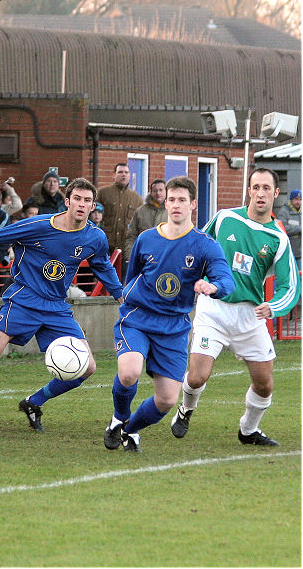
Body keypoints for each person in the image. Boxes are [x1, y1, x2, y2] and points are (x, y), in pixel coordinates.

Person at [0, 178, 124, 431]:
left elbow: (102, 265)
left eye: (87, 201)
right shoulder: (38, 225)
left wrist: (121, 296)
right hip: (24, 299)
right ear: (67, 201)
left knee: (87, 368)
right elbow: (0, 236)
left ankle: (33, 403)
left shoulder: (95, 237)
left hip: (56, 307)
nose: (81, 205)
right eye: (77, 199)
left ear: (93, 204)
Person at [171, 168, 301, 447]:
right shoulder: (225, 218)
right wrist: (191, 280)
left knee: (265, 383)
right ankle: (186, 409)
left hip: (250, 315)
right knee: (197, 376)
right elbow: (197, 247)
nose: (261, 193)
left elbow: (290, 286)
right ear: (249, 191)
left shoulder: (278, 237)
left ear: (275, 194)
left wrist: (273, 307)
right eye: (256, 187)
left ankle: (248, 429)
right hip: (214, 310)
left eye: (267, 188)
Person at [103, 177, 234, 453]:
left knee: (166, 400)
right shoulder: (147, 238)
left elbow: (227, 280)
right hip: (138, 317)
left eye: (182, 200)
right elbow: (133, 276)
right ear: (166, 202)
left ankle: (131, 430)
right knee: (129, 373)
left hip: (174, 327)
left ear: (193, 204)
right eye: (171, 199)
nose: (176, 205)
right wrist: (128, 297)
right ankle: (118, 419)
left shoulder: (204, 245)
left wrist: (214, 286)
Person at [98, 163, 142, 255]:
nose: (123, 175)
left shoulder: (137, 199)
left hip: (126, 248)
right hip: (105, 245)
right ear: (114, 175)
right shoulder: (102, 193)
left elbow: (140, 225)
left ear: (129, 175)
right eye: (120, 172)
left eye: (126, 172)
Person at [125, 179, 167, 261]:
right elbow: (131, 236)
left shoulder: (172, 211)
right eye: (155, 191)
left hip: (165, 257)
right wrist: (129, 255)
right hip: (144, 256)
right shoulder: (140, 211)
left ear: (166, 192)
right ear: (151, 193)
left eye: (161, 190)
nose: (158, 193)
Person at [276, 189, 301, 269]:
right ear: (291, 200)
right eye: (296, 199)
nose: (298, 202)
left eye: (300, 199)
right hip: (289, 252)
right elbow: (283, 229)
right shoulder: (283, 212)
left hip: (300, 253)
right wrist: (299, 229)